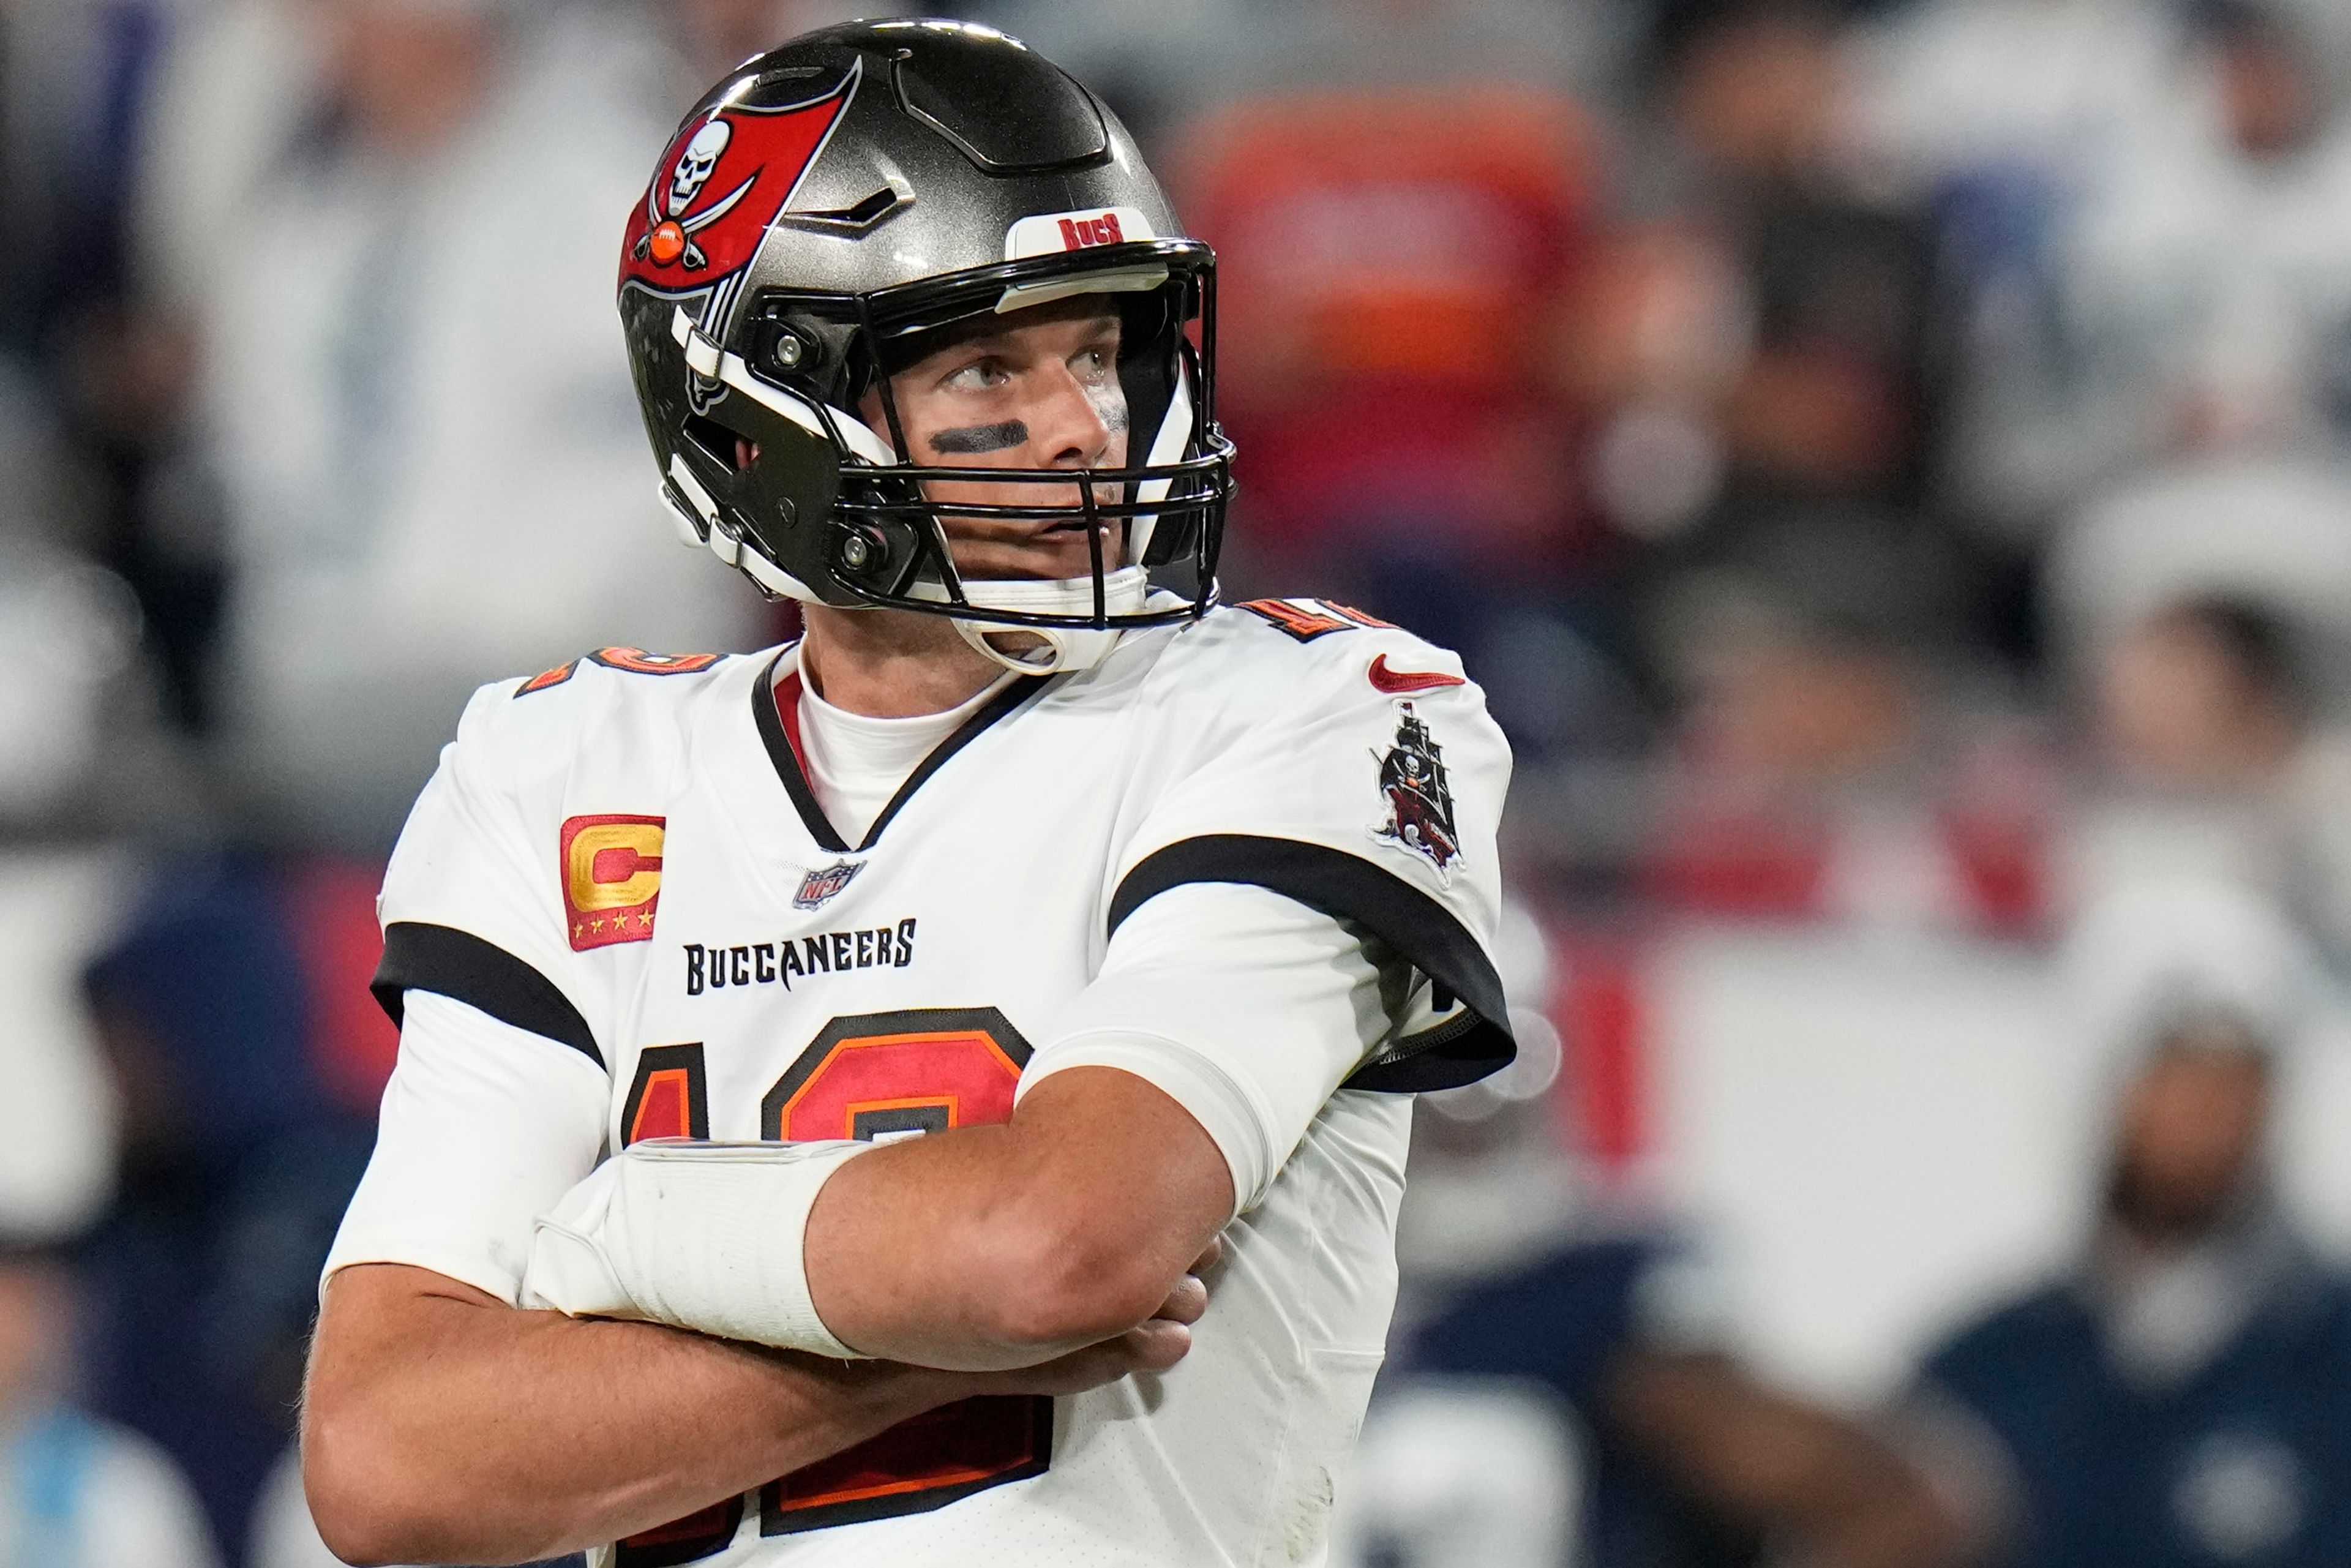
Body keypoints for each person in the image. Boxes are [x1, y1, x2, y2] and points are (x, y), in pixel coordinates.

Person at [299, 18, 1515, 1568]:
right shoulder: (557, 770)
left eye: (1098, 347)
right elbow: (391, 1461)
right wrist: (928, 1349)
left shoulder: (1308, 710)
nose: (1084, 422)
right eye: (987, 364)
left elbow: (1055, 1244)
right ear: (759, 417)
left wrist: (619, 1230)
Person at [1916, 883, 2351, 1566]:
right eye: (2175, 1069)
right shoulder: (1985, 1375)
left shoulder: (2331, 1359)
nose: (2210, 1111)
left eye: (2242, 1077)